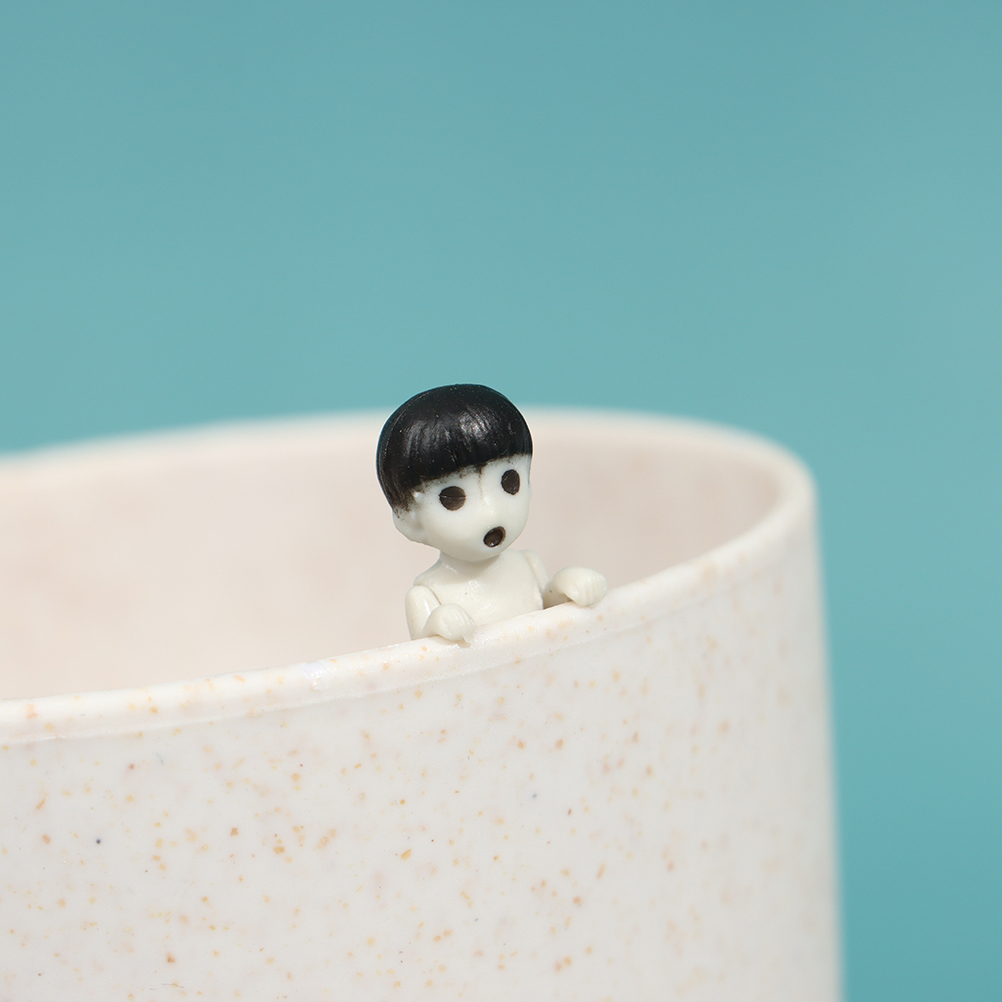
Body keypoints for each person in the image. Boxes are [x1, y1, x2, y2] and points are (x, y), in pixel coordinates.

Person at [377, 384, 607, 642]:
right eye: (453, 499)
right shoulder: (427, 594)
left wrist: (564, 587)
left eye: (510, 482)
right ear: (409, 519)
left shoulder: (528, 564)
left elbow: (548, 613)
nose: (491, 513)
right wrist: (436, 626)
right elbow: (421, 658)